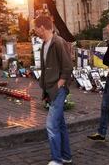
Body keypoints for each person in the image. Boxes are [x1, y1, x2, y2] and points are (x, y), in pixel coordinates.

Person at [33, 15, 73, 165]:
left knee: (51, 125)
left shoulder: (58, 42)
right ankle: (66, 156)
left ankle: (56, 160)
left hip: (58, 89)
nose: (35, 32)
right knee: (59, 123)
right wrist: (46, 91)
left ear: (42, 27)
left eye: (35, 28)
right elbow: (45, 68)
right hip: (50, 89)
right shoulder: (45, 43)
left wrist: (58, 86)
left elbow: (67, 67)